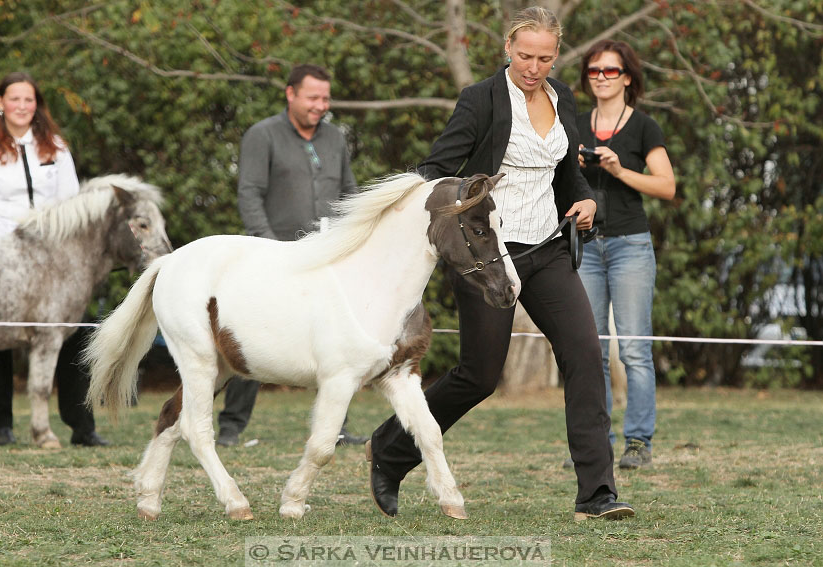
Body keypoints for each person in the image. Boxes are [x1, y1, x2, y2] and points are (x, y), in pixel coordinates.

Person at [366, 7, 634, 521]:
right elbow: (438, 169)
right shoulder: (481, 100)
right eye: (526, 55)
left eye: (546, 57)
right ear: (507, 48)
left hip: (548, 251)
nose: (535, 67)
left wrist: (586, 200)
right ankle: (391, 449)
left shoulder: (564, 98)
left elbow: (566, 170)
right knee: (479, 376)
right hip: (488, 254)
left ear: (557, 55)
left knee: (584, 356)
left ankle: (597, 495)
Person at [218, 63, 366, 447]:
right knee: (253, 338)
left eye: (325, 98)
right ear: (290, 94)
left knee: (335, 342)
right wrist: (267, 248)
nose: (321, 105)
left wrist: (353, 240)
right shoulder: (262, 135)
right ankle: (231, 429)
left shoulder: (335, 138)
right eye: (313, 97)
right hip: (276, 254)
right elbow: (249, 193)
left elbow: (349, 192)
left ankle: (336, 427)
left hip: (329, 256)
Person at [0, 71, 109, 447]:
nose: (22, 106)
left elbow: (73, 207)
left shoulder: (57, 149)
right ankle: (1, 426)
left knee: (73, 332)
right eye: (14, 99)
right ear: (0, 103)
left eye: (29, 100)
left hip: (53, 262)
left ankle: (83, 425)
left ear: (37, 105)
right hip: (2, 258)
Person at [575, 40, 676, 469]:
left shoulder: (644, 127)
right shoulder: (575, 124)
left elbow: (667, 186)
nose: (601, 77)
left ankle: (638, 443)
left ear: (628, 78)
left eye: (610, 71)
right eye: (594, 71)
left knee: (634, 349)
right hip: (585, 247)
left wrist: (619, 170)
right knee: (588, 350)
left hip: (630, 246)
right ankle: (596, 442)